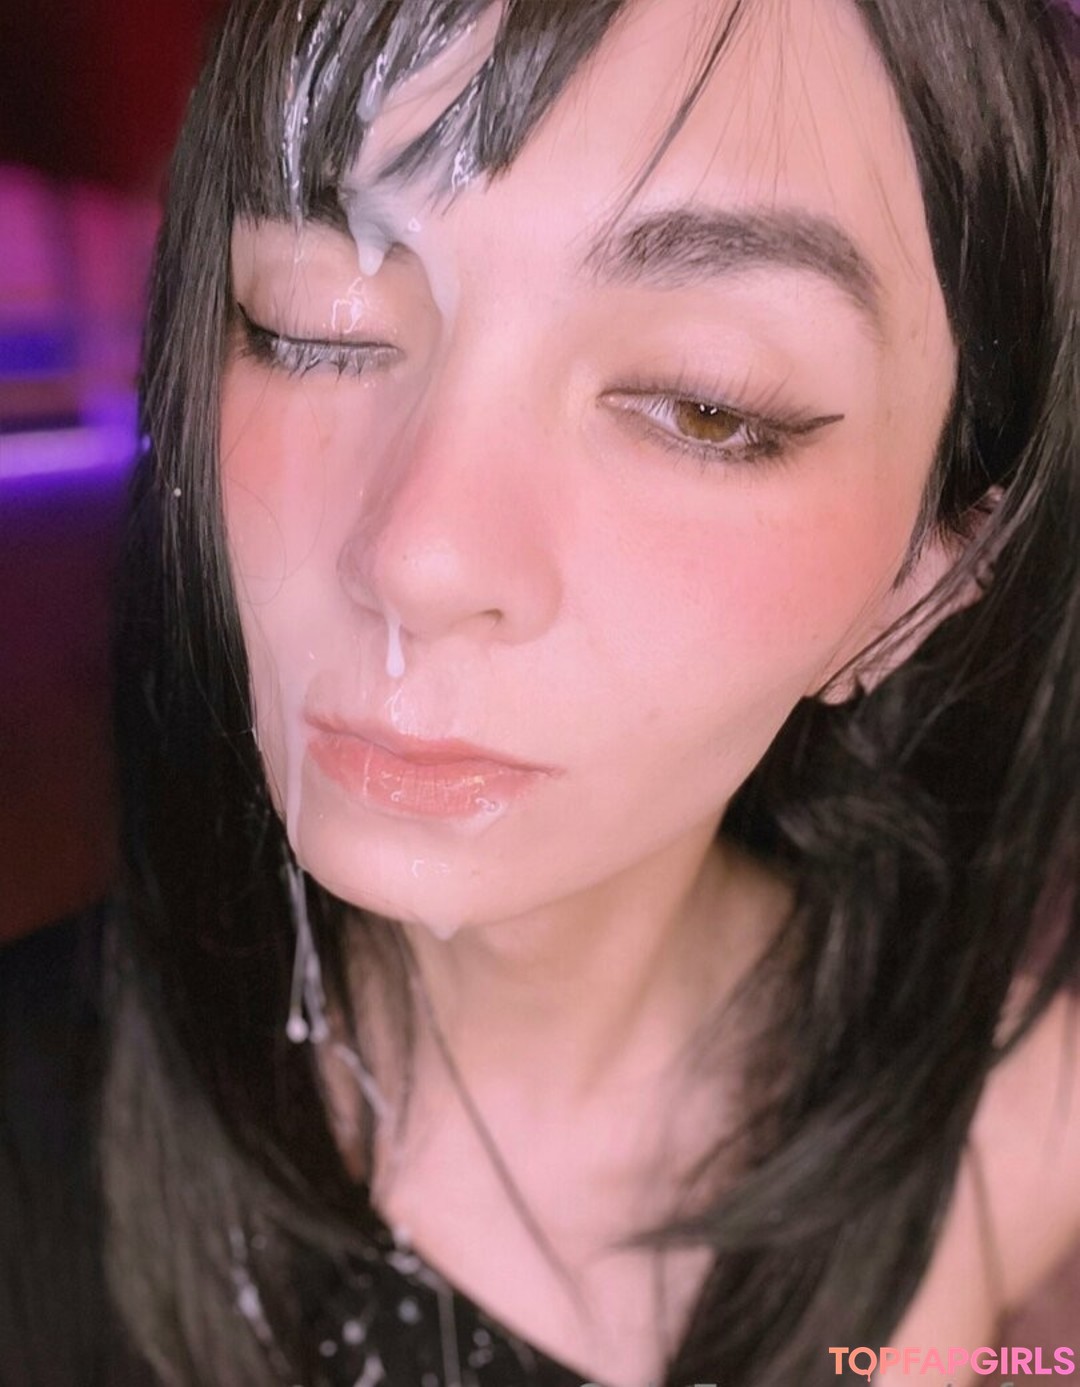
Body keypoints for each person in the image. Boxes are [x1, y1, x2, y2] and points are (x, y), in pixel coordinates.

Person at [3, 1, 1079, 1384]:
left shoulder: (1014, 1123)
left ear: (928, 576)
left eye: (703, 404)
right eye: (319, 325)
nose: (419, 555)